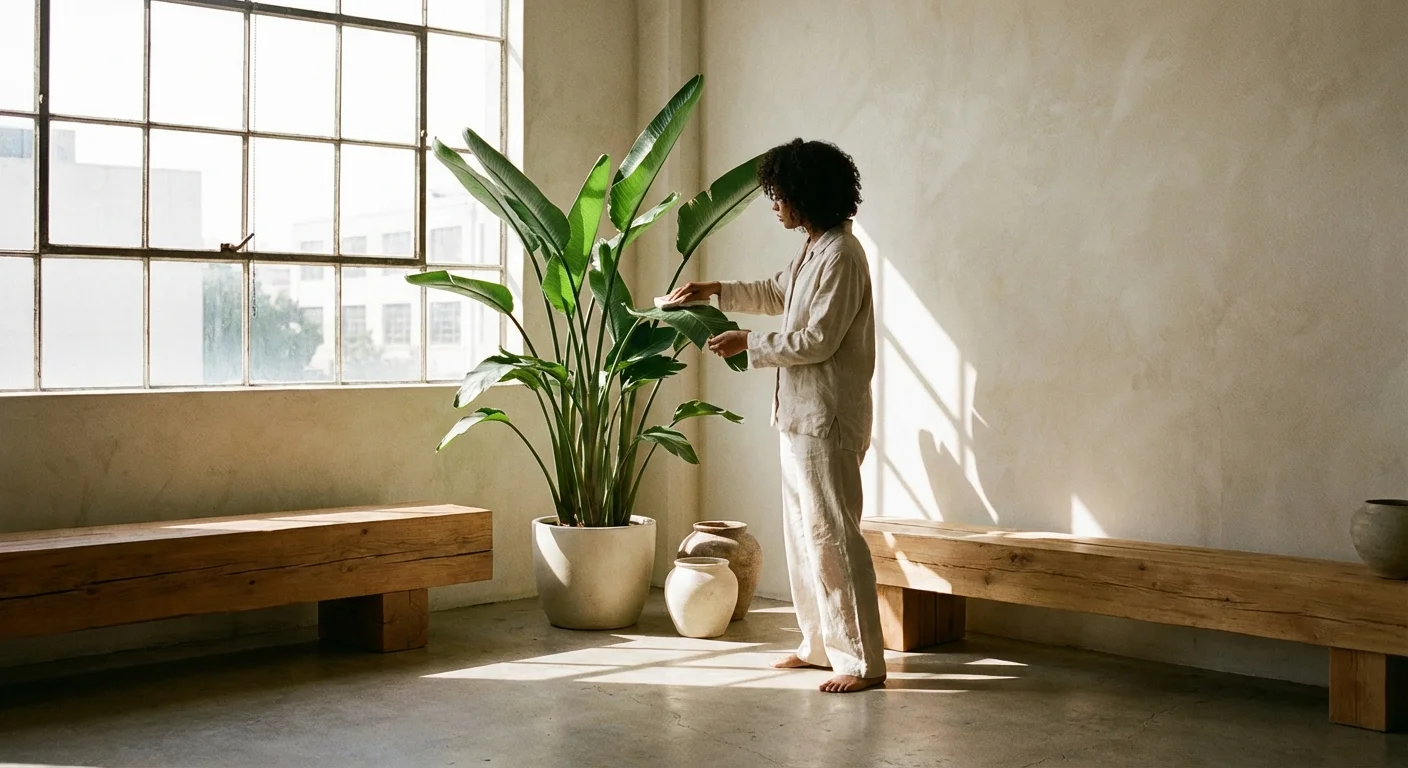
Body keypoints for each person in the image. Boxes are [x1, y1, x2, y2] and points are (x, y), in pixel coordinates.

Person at [664, 138, 885, 693]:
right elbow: (775, 291)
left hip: (828, 419)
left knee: (836, 538)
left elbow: (818, 339)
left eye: (779, 194)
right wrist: (714, 289)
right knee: (806, 537)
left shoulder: (842, 255)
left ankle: (861, 661)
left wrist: (749, 344)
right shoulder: (814, 248)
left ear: (805, 195)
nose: (774, 204)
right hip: (799, 418)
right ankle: (818, 645)